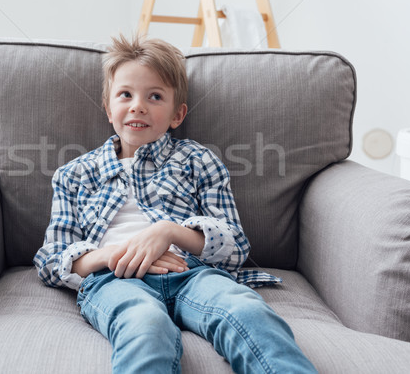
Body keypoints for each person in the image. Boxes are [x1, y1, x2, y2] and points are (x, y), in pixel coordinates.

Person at [34, 33, 317, 373]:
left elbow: (235, 246)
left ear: (177, 115)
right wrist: (112, 254)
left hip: (193, 274)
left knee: (247, 312)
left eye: (155, 96)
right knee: (145, 324)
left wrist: (168, 232)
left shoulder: (199, 161)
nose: (138, 105)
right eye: (126, 94)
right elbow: (52, 260)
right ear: (109, 109)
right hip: (114, 279)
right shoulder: (74, 174)